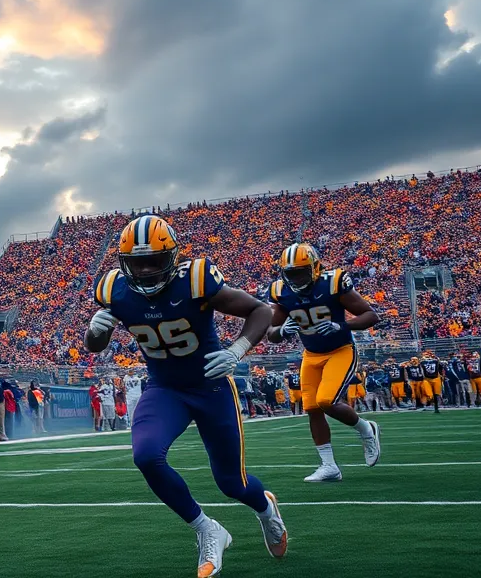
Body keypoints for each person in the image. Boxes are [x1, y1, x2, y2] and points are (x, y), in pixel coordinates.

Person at [87, 215, 288, 577]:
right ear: (123, 262)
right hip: (164, 387)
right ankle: (206, 528)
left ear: (173, 258)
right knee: (146, 456)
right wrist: (95, 333)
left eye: (155, 261)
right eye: (137, 263)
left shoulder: (195, 280)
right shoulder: (112, 289)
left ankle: (266, 509)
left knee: (232, 483)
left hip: (210, 386)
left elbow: (260, 309)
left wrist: (238, 348)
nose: (146, 271)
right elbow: (95, 345)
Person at [267, 244, 381, 482]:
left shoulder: (332, 283)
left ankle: (366, 429)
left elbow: (371, 315)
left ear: (315, 268)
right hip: (311, 354)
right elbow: (271, 333)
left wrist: (343, 325)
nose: (296, 278)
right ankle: (329, 466)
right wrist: (282, 330)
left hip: (340, 350)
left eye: (301, 272)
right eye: (291, 273)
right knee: (311, 408)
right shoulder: (281, 292)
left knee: (326, 401)